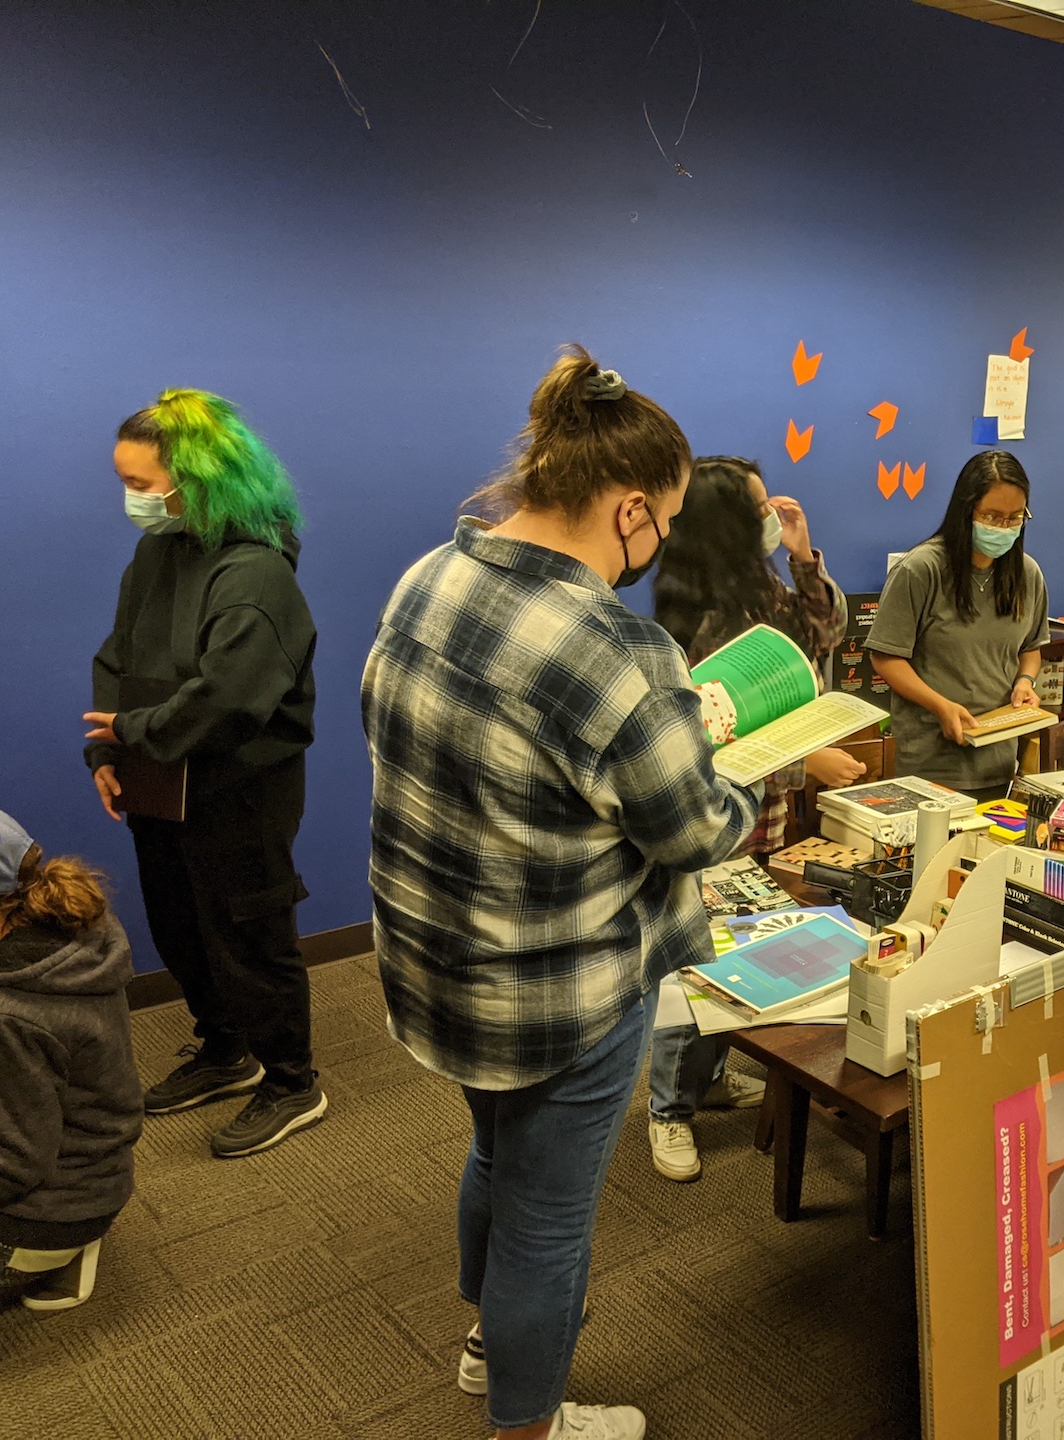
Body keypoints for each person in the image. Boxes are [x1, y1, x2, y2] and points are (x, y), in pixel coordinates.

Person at [363, 345, 759, 1440]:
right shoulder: (614, 650)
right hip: (558, 997)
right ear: (629, 508)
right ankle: (527, 1424)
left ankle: (489, 1343)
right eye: (665, 522)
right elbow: (695, 829)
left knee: (496, 1154)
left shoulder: (430, 577)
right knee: (550, 1226)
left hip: (438, 963)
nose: (665, 544)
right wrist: (736, 771)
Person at [86, 389, 324, 1159]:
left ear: (199, 480)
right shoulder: (158, 551)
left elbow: (228, 700)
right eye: (125, 483)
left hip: (238, 786)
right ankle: (226, 1051)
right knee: (181, 925)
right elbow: (117, 656)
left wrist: (134, 732)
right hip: (162, 776)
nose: (132, 501)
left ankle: (292, 1082)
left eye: (141, 486)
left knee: (249, 933)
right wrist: (109, 751)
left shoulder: (256, 576)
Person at [646, 455, 863, 1183]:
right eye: (763, 507)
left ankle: (707, 1079)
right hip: (716, 822)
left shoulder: (761, 587)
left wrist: (804, 557)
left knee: (738, 952)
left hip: (764, 821)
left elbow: (826, 640)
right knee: (699, 966)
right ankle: (668, 1109)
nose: (775, 513)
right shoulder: (700, 624)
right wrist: (810, 763)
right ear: (728, 525)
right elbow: (716, 743)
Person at [0, 807, 142, 1316]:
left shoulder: (1, 1012)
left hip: (52, 1203)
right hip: (93, 1162)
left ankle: (53, 1254)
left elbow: (11, 1164)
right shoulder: (72, 932)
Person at [866, 450, 1049, 801]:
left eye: (1015, 519)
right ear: (967, 511)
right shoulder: (921, 570)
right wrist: (940, 705)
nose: (1003, 528)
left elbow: (1030, 648)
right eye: (993, 517)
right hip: (931, 764)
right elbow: (886, 658)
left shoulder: (1027, 574)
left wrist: (1025, 682)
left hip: (998, 761)